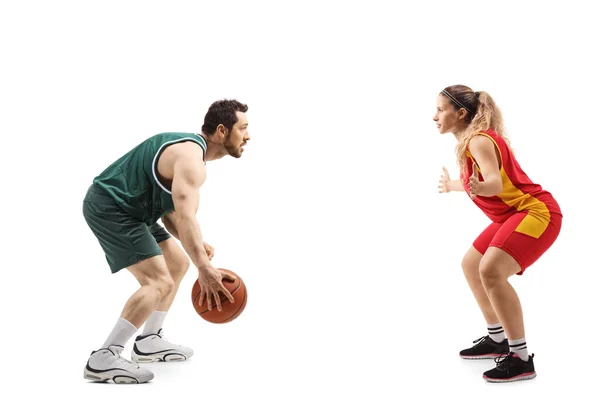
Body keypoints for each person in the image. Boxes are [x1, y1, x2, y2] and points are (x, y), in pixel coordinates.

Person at [82, 99, 250, 384]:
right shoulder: (190, 159)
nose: (248, 136)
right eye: (243, 128)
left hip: (136, 211)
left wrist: (196, 247)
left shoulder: (189, 154)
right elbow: (184, 217)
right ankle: (104, 357)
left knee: (177, 262)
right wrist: (204, 267)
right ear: (222, 131)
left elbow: (172, 213)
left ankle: (148, 340)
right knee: (159, 282)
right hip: (112, 206)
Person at [434, 85, 562, 383]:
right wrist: (454, 184)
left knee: (490, 271)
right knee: (471, 264)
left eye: (440, 109)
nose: (434, 116)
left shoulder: (478, 141)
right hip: (513, 215)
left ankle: (520, 357)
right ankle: (497, 339)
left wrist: (481, 187)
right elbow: (480, 182)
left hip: (536, 213)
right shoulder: (472, 142)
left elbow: (494, 183)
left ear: (460, 113)